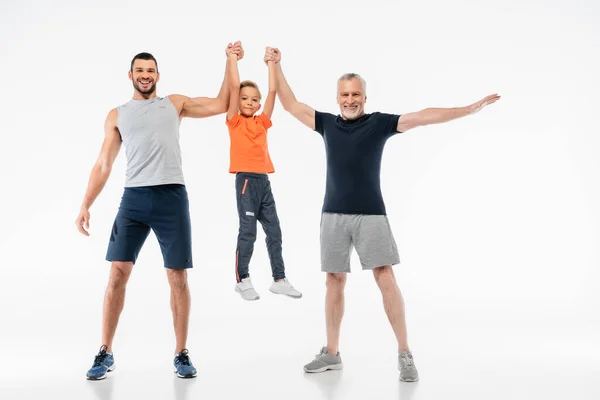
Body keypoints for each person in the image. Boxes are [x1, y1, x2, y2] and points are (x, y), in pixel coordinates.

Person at [264, 46, 500, 382]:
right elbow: (290, 104)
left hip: (371, 216)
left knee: (385, 277)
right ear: (337, 98)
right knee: (333, 282)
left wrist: (468, 109)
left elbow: (423, 115)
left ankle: (405, 354)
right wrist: (275, 65)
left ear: (364, 96)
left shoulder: (379, 124)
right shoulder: (327, 125)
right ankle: (332, 353)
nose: (350, 99)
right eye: (345, 94)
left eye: (355, 94)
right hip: (333, 215)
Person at [76, 42, 244, 380]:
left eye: (150, 71)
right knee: (117, 274)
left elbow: (222, 103)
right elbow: (104, 163)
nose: (145, 75)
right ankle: (105, 351)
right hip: (133, 201)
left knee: (178, 276)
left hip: (171, 198)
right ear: (130, 75)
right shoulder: (117, 114)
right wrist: (85, 204)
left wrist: (229, 61)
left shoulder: (174, 104)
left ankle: (181, 353)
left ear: (157, 76)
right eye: (139, 70)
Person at [225, 44, 301, 301]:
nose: (249, 102)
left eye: (254, 99)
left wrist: (271, 64)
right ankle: (242, 279)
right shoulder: (234, 121)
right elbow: (234, 87)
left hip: (263, 182)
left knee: (275, 231)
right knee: (248, 231)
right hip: (245, 181)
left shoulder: (262, 122)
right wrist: (233, 58)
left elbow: (272, 91)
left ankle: (279, 279)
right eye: (245, 98)